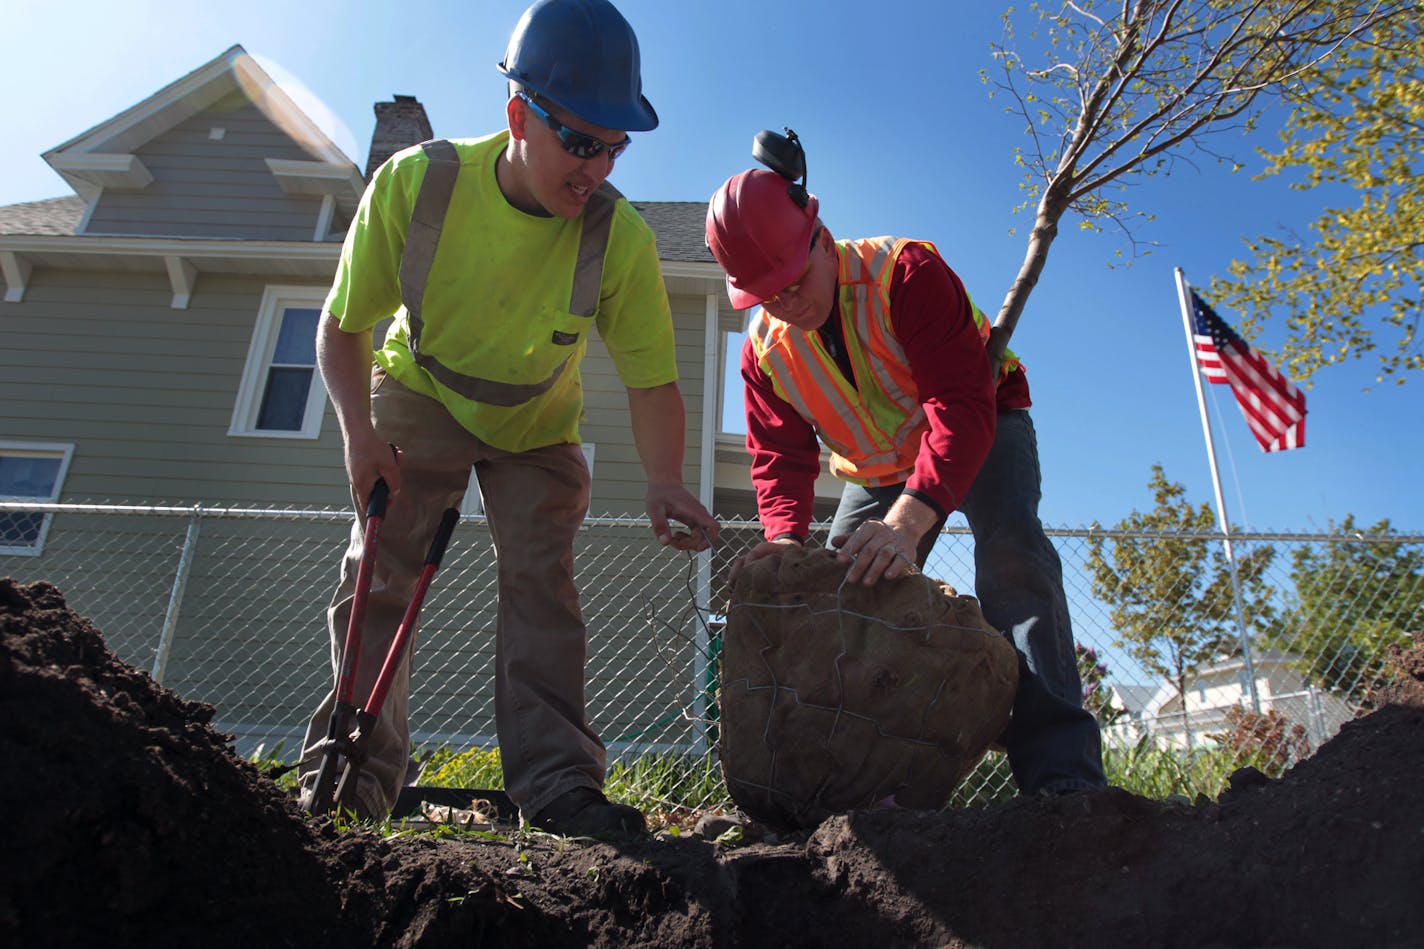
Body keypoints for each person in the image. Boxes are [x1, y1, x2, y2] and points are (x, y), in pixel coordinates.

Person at [297, 0, 719, 836]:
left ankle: (559, 786)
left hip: (536, 427)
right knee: (379, 575)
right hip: (419, 394)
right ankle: (347, 784)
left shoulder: (621, 239)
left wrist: (666, 479)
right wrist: (357, 432)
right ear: (519, 114)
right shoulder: (421, 187)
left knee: (542, 587)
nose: (597, 166)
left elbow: (651, 384)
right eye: (581, 140)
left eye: (615, 146)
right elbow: (342, 326)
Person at [705, 147, 1105, 796]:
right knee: (845, 595)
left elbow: (960, 406)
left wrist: (909, 519)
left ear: (823, 240)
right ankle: (860, 791)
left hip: (981, 423)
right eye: (768, 297)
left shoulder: (905, 274)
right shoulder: (763, 354)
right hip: (875, 462)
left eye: (795, 283)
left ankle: (1063, 779)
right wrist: (783, 536)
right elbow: (780, 456)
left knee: (1013, 559)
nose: (787, 305)